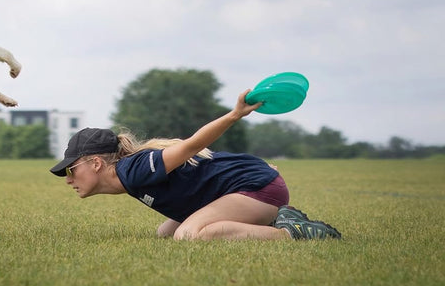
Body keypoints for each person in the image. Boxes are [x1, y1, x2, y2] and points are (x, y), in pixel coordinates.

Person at [50, 90, 341, 241]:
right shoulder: (128, 174)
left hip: (256, 189)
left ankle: (293, 233)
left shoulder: (133, 169)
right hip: (253, 184)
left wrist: (235, 114)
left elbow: (191, 146)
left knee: (188, 236)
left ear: (97, 163)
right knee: (165, 232)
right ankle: (275, 218)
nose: (68, 178)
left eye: (71, 169)